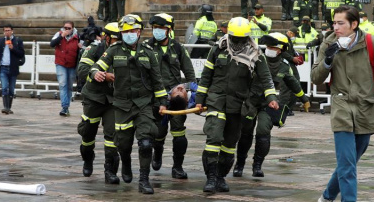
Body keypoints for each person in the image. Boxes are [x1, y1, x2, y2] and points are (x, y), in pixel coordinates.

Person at [311, 6, 374, 202]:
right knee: (347, 165)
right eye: (334, 23)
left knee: (349, 161)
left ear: (354, 24)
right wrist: (328, 61)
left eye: (341, 23)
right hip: (341, 108)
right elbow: (315, 78)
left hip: (365, 108)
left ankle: (327, 196)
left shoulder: (370, 43)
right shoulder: (329, 42)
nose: (336, 27)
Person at [196, 17, 278, 193]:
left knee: (228, 144)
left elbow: (266, 78)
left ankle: (220, 177)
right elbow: (206, 76)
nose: (238, 43)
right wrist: (199, 99)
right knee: (214, 139)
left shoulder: (255, 54)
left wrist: (272, 97)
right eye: (235, 39)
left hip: (238, 104)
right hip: (216, 100)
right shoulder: (217, 49)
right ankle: (210, 178)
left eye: (242, 39)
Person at [90, 14, 167, 194]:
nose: (129, 34)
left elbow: (157, 81)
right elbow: (97, 66)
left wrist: (163, 102)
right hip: (122, 105)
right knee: (123, 144)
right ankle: (125, 163)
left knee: (146, 142)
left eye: (132, 31)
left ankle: (144, 180)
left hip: (143, 104)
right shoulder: (114, 50)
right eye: (125, 31)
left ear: (139, 32)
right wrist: (95, 73)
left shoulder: (148, 52)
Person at [233, 33, 309, 178]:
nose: (269, 49)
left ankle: (257, 165)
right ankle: (240, 164)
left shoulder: (284, 67)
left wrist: (304, 99)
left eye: (272, 47)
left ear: (280, 49)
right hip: (250, 101)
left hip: (268, 103)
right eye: (268, 46)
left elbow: (293, 83)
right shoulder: (255, 59)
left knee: (263, 132)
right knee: (245, 133)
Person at [147, 13, 196, 179]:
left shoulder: (178, 48)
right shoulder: (146, 47)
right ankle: (157, 152)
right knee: (158, 132)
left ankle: (177, 167)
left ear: (169, 30)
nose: (157, 31)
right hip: (155, 99)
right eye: (155, 28)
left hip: (176, 98)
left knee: (178, 133)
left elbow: (190, 74)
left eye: (161, 28)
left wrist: (190, 92)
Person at [77, 22, 120, 184]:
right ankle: (88, 160)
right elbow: (81, 70)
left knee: (112, 136)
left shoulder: (127, 51)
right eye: (115, 39)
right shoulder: (94, 49)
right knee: (87, 133)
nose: (118, 43)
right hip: (93, 99)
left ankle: (110, 171)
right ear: (106, 37)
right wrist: (96, 74)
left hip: (113, 101)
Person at [0, 25, 25, 115]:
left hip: (13, 68)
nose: (7, 32)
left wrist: (13, 48)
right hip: (3, 68)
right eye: (5, 30)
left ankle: (9, 107)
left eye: (8, 30)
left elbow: (21, 53)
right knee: (4, 87)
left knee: (11, 89)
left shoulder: (17, 40)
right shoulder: (0, 41)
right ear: (3, 32)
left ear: (12, 31)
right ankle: (5, 107)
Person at [50, 21, 80, 116]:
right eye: (65, 28)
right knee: (62, 84)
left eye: (68, 28)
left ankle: (66, 106)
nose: (66, 30)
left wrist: (81, 47)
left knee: (69, 86)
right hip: (61, 63)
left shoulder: (77, 37)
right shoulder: (58, 34)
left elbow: (82, 48)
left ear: (73, 29)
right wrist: (61, 36)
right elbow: (52, 44)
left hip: (72, 64)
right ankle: (65, 107)